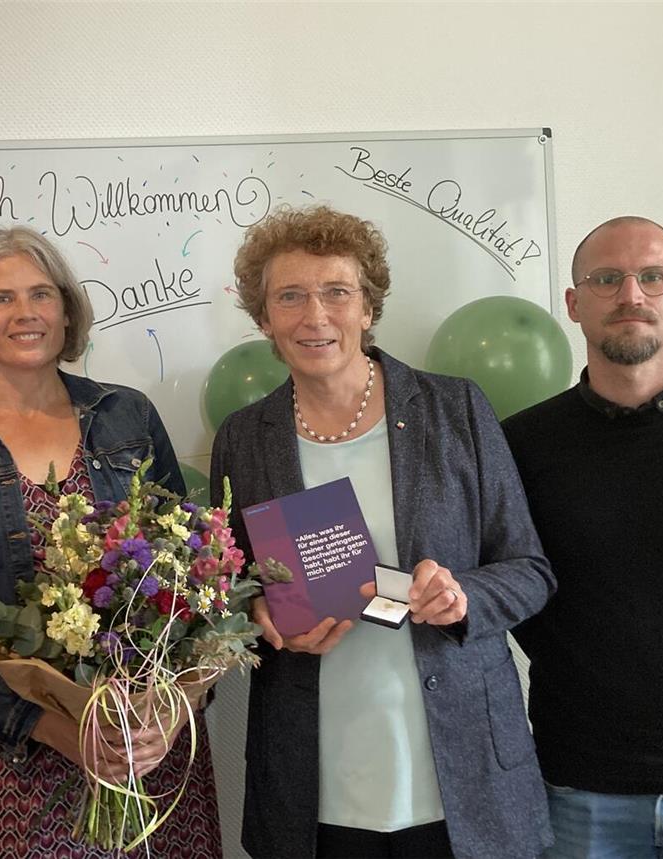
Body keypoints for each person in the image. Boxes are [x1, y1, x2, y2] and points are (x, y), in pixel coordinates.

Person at [210, 205, 555, 859]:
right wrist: (255, 610)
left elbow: (530, 568)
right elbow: (223, 587)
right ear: (264, 319)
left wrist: (464, 597)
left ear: (367, 308)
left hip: (459, 773)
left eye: (336, 291)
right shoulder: (244, 438)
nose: (315, 316)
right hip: (315, 779)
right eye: (290, 296)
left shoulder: (454, 409)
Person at [0, 225, 223, 859]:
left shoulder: (128, 417)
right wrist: (57, 731)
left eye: (42, 294)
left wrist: (170, 713)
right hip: (18, 764)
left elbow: (197, 583)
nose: (26, 313)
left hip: (151, 751)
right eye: (2, 298)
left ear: (67, 310)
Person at [503, 216, 663, 856]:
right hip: (579, 789)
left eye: (652, 277)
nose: (631, 295)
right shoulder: (520, 445)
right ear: (575, 305)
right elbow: (497, 584)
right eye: (606, 279)